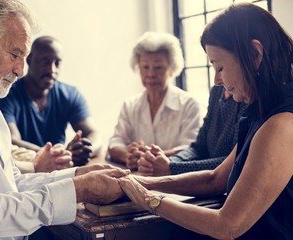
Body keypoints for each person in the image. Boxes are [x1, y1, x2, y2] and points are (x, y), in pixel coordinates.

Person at [0, 1, 128, 239]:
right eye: (15, 54)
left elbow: (11, 183)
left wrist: (76, 176)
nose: (21, 70)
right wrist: (79, 190)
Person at [119, 3, 293, 239]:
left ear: (254, 54)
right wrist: (139, 182)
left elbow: (228, 225)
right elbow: (216, 178)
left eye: (220, 67)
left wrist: (147, 199)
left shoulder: (281, 125)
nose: (216, 80)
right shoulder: (261, 113)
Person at [0, 36, 101, 167]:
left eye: (57, 63)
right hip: (25, 172)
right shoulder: (7, 94)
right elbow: (11, 140)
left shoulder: (70, 94)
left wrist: (84, 150)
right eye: (44, 62)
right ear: (29, 60)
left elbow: (94, 134)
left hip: (60, 168)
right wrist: (56, 155)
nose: (52, 70)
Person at [108, 31, 201, 170]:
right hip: (136, 178)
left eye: (158, 67)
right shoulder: (130, 105)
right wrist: (128, 155)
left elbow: (191, 148)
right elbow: (115, 142)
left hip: (174, 180)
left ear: (172, 68)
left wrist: (150, 157)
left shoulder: (189, 105)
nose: (151, 74)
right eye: (145, 67)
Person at [137, 85, 246, 176]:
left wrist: (172, 167)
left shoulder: (246, 98)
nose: (215, 80)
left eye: (220, 68)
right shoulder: (216, 91)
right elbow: (198, 148)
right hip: (205, 182)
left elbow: (233, 162)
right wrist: (168, 161)